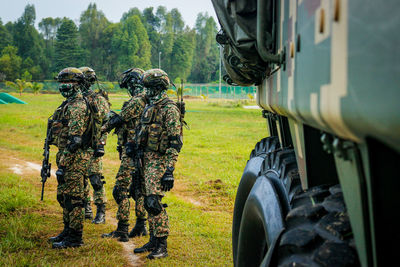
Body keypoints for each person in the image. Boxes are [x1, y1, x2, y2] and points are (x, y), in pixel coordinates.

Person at [133, 69, 183, 259]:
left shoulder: (169, 109)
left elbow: (174, 142)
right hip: (145, 159)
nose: (145, 92)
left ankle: (162, 245)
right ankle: (153, 240)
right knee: (147, 201)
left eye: (149, 88)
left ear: (158, 88)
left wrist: (169, 169)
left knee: (154, 202)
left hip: (159, 161)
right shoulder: (149, 106)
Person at [101, 68, 148, 241]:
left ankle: (122, 229)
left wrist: (102, 128)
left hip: (133, 152)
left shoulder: (137, 100)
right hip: (142, 152)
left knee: (120, 189)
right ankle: (141, 225)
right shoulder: (148, 98)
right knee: (139, 189)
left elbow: (120, 119)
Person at [49, 67, 92, 248]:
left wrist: (64, 164)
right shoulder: (67, 104)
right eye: (61, 83)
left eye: (68, 83)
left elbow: (75, 140)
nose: (63, 87)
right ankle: (67, 230)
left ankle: (75, 237)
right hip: (67, 156)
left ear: (78, 85)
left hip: (75, 158)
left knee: (74, 199)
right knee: (64, 196)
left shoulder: (77, 107)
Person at [79, 66, 110, 224]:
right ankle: (86, 207)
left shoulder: (98, 99)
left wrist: (101, 143)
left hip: (93, 145)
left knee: (95, 179)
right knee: (80, 178)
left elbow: (106, 122)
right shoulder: (76, 99)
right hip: (78, 146)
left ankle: (101, 211)